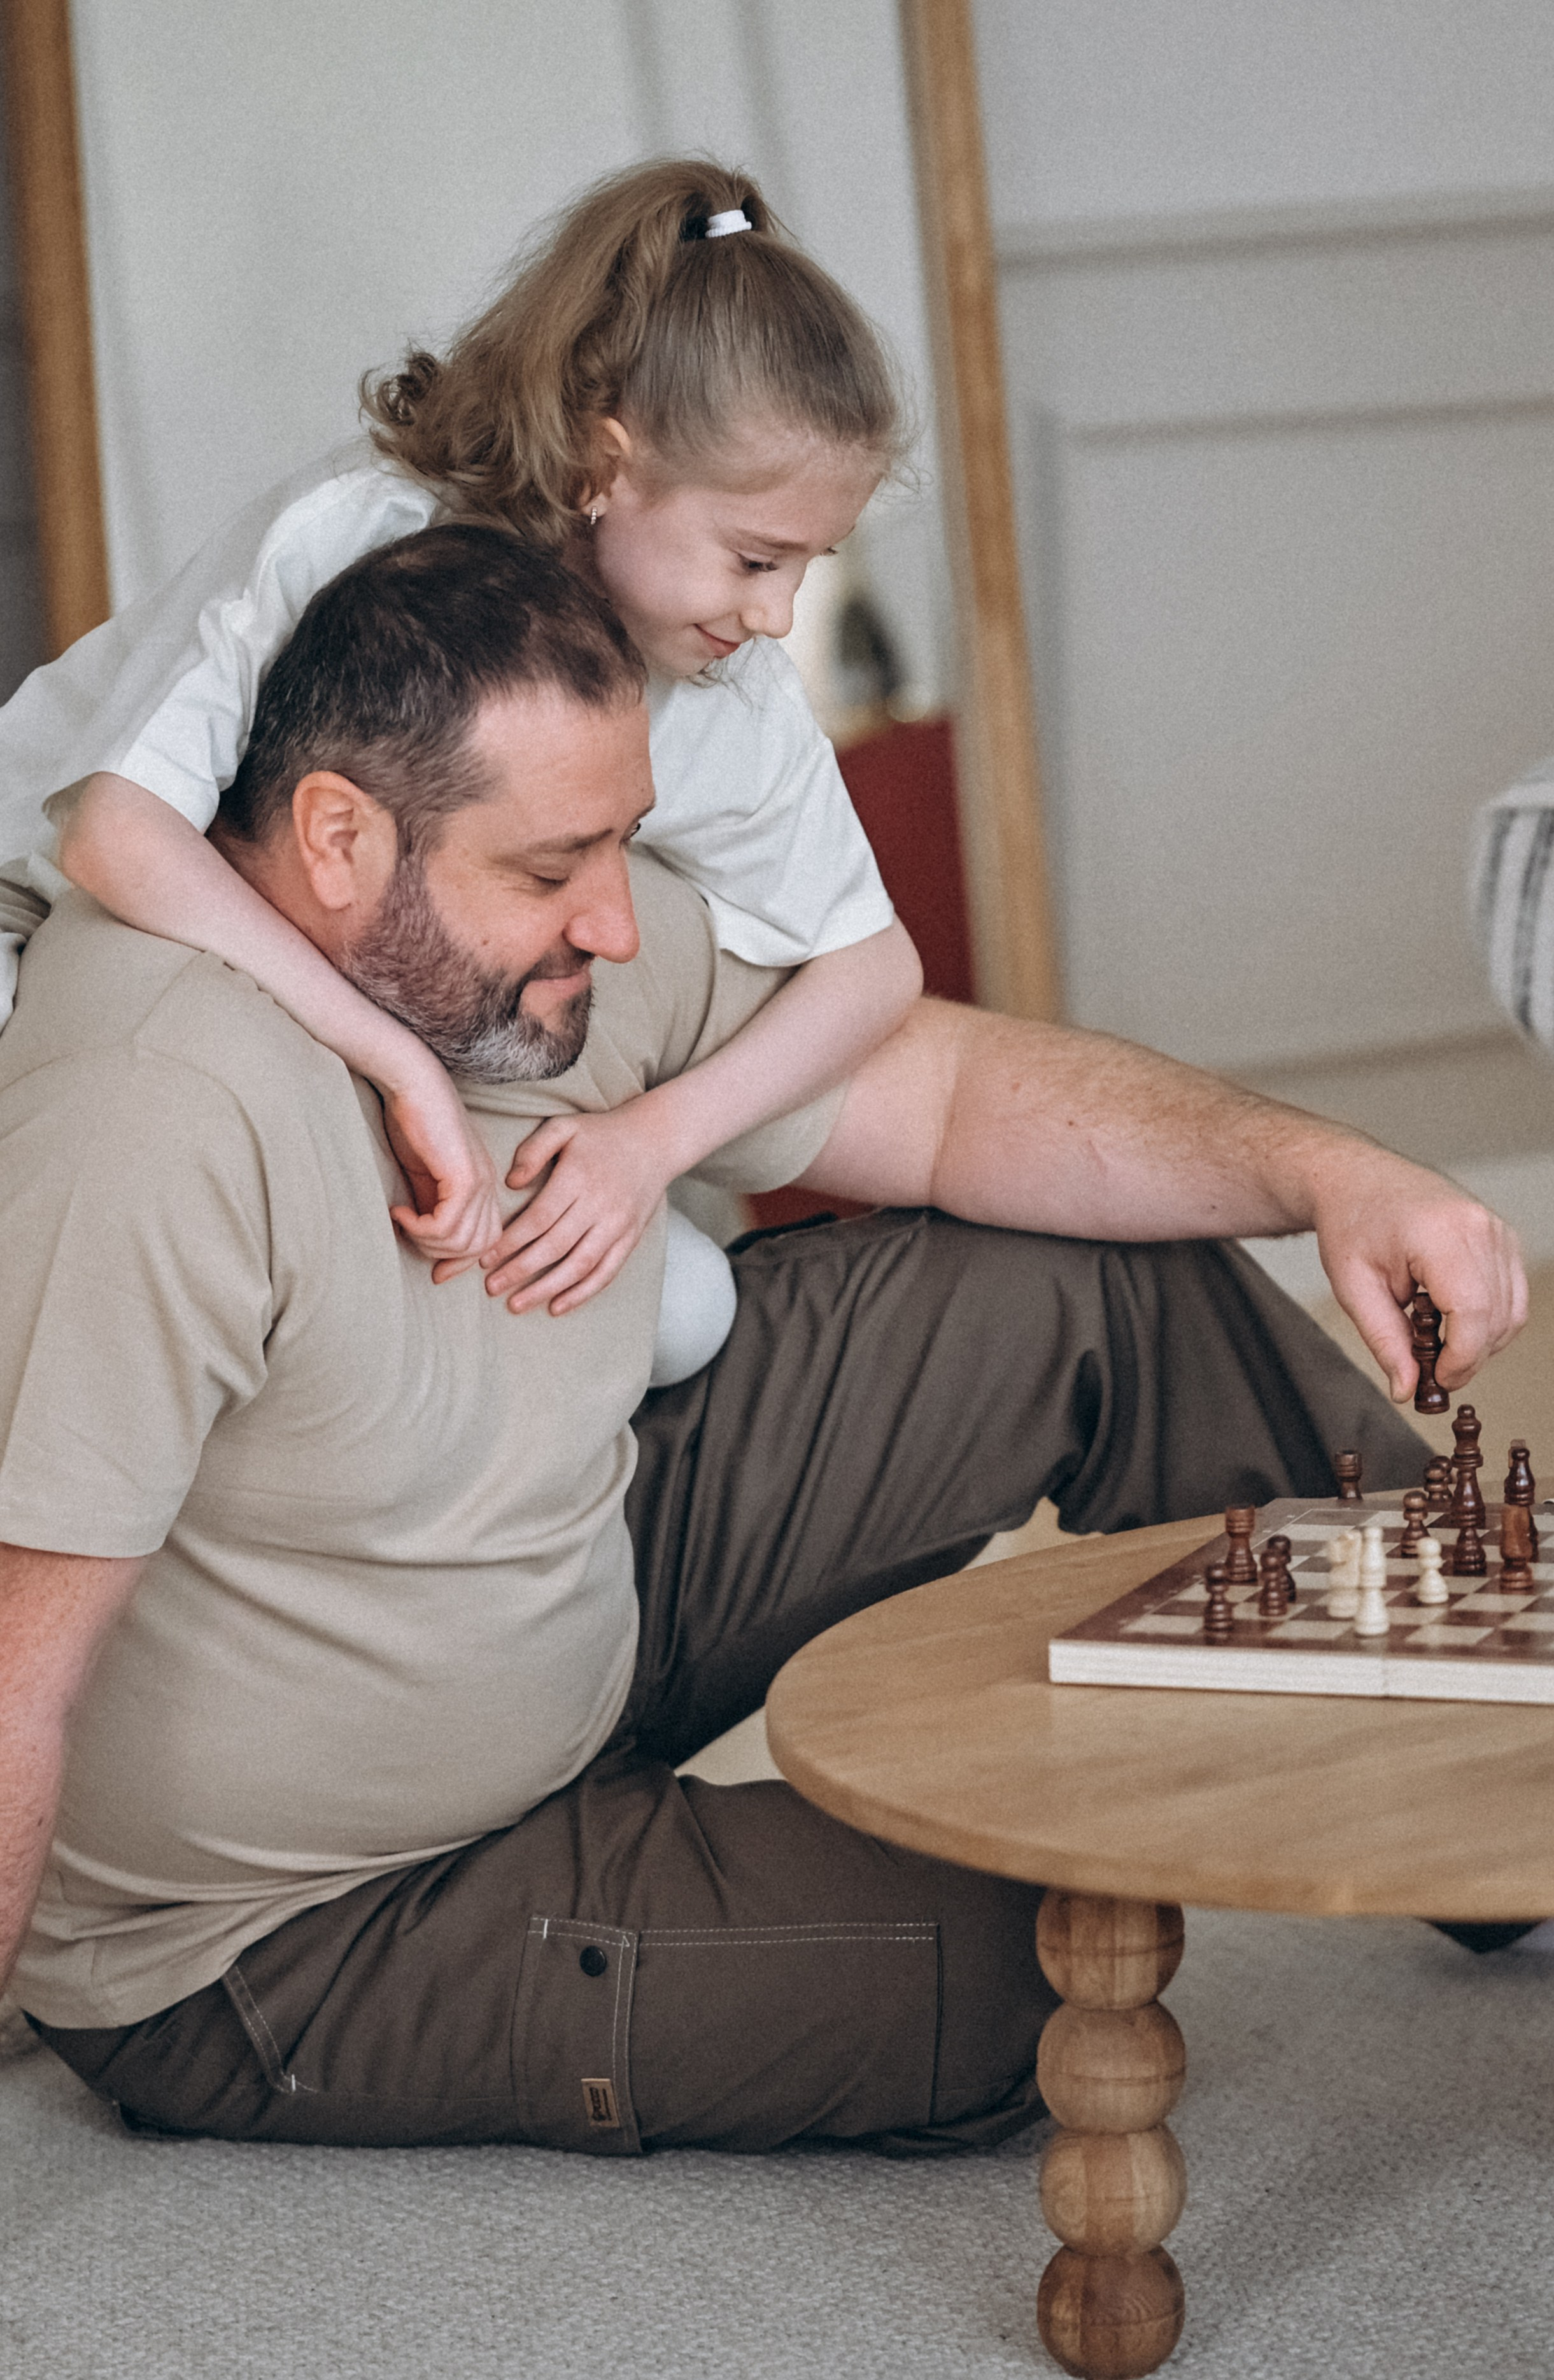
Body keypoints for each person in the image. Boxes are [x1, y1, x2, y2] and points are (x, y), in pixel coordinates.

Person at [0, 524, 1524, 2151]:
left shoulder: (524, 962)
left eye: (623, 847)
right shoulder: (153, 1103)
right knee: (1031, 1964)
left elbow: (942, 1094)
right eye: (551, 870)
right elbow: (18, 1668)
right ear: (337, 837)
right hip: (297, 1929)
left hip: (585, 1568)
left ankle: (1516, 1787)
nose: (620, 924)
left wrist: (1329, 1172)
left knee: (1103, 1280)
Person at [0, 158, 922, 1384]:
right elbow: (116, 838)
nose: (777, 612)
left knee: (679, 1314)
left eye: (811, 561)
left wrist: (650, 1143)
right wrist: (394, 1066)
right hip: (40, 915)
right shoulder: (360, 534)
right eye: (756, 559)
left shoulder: (726, 690)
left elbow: (874, 963)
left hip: (328, 995)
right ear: (608, 463)